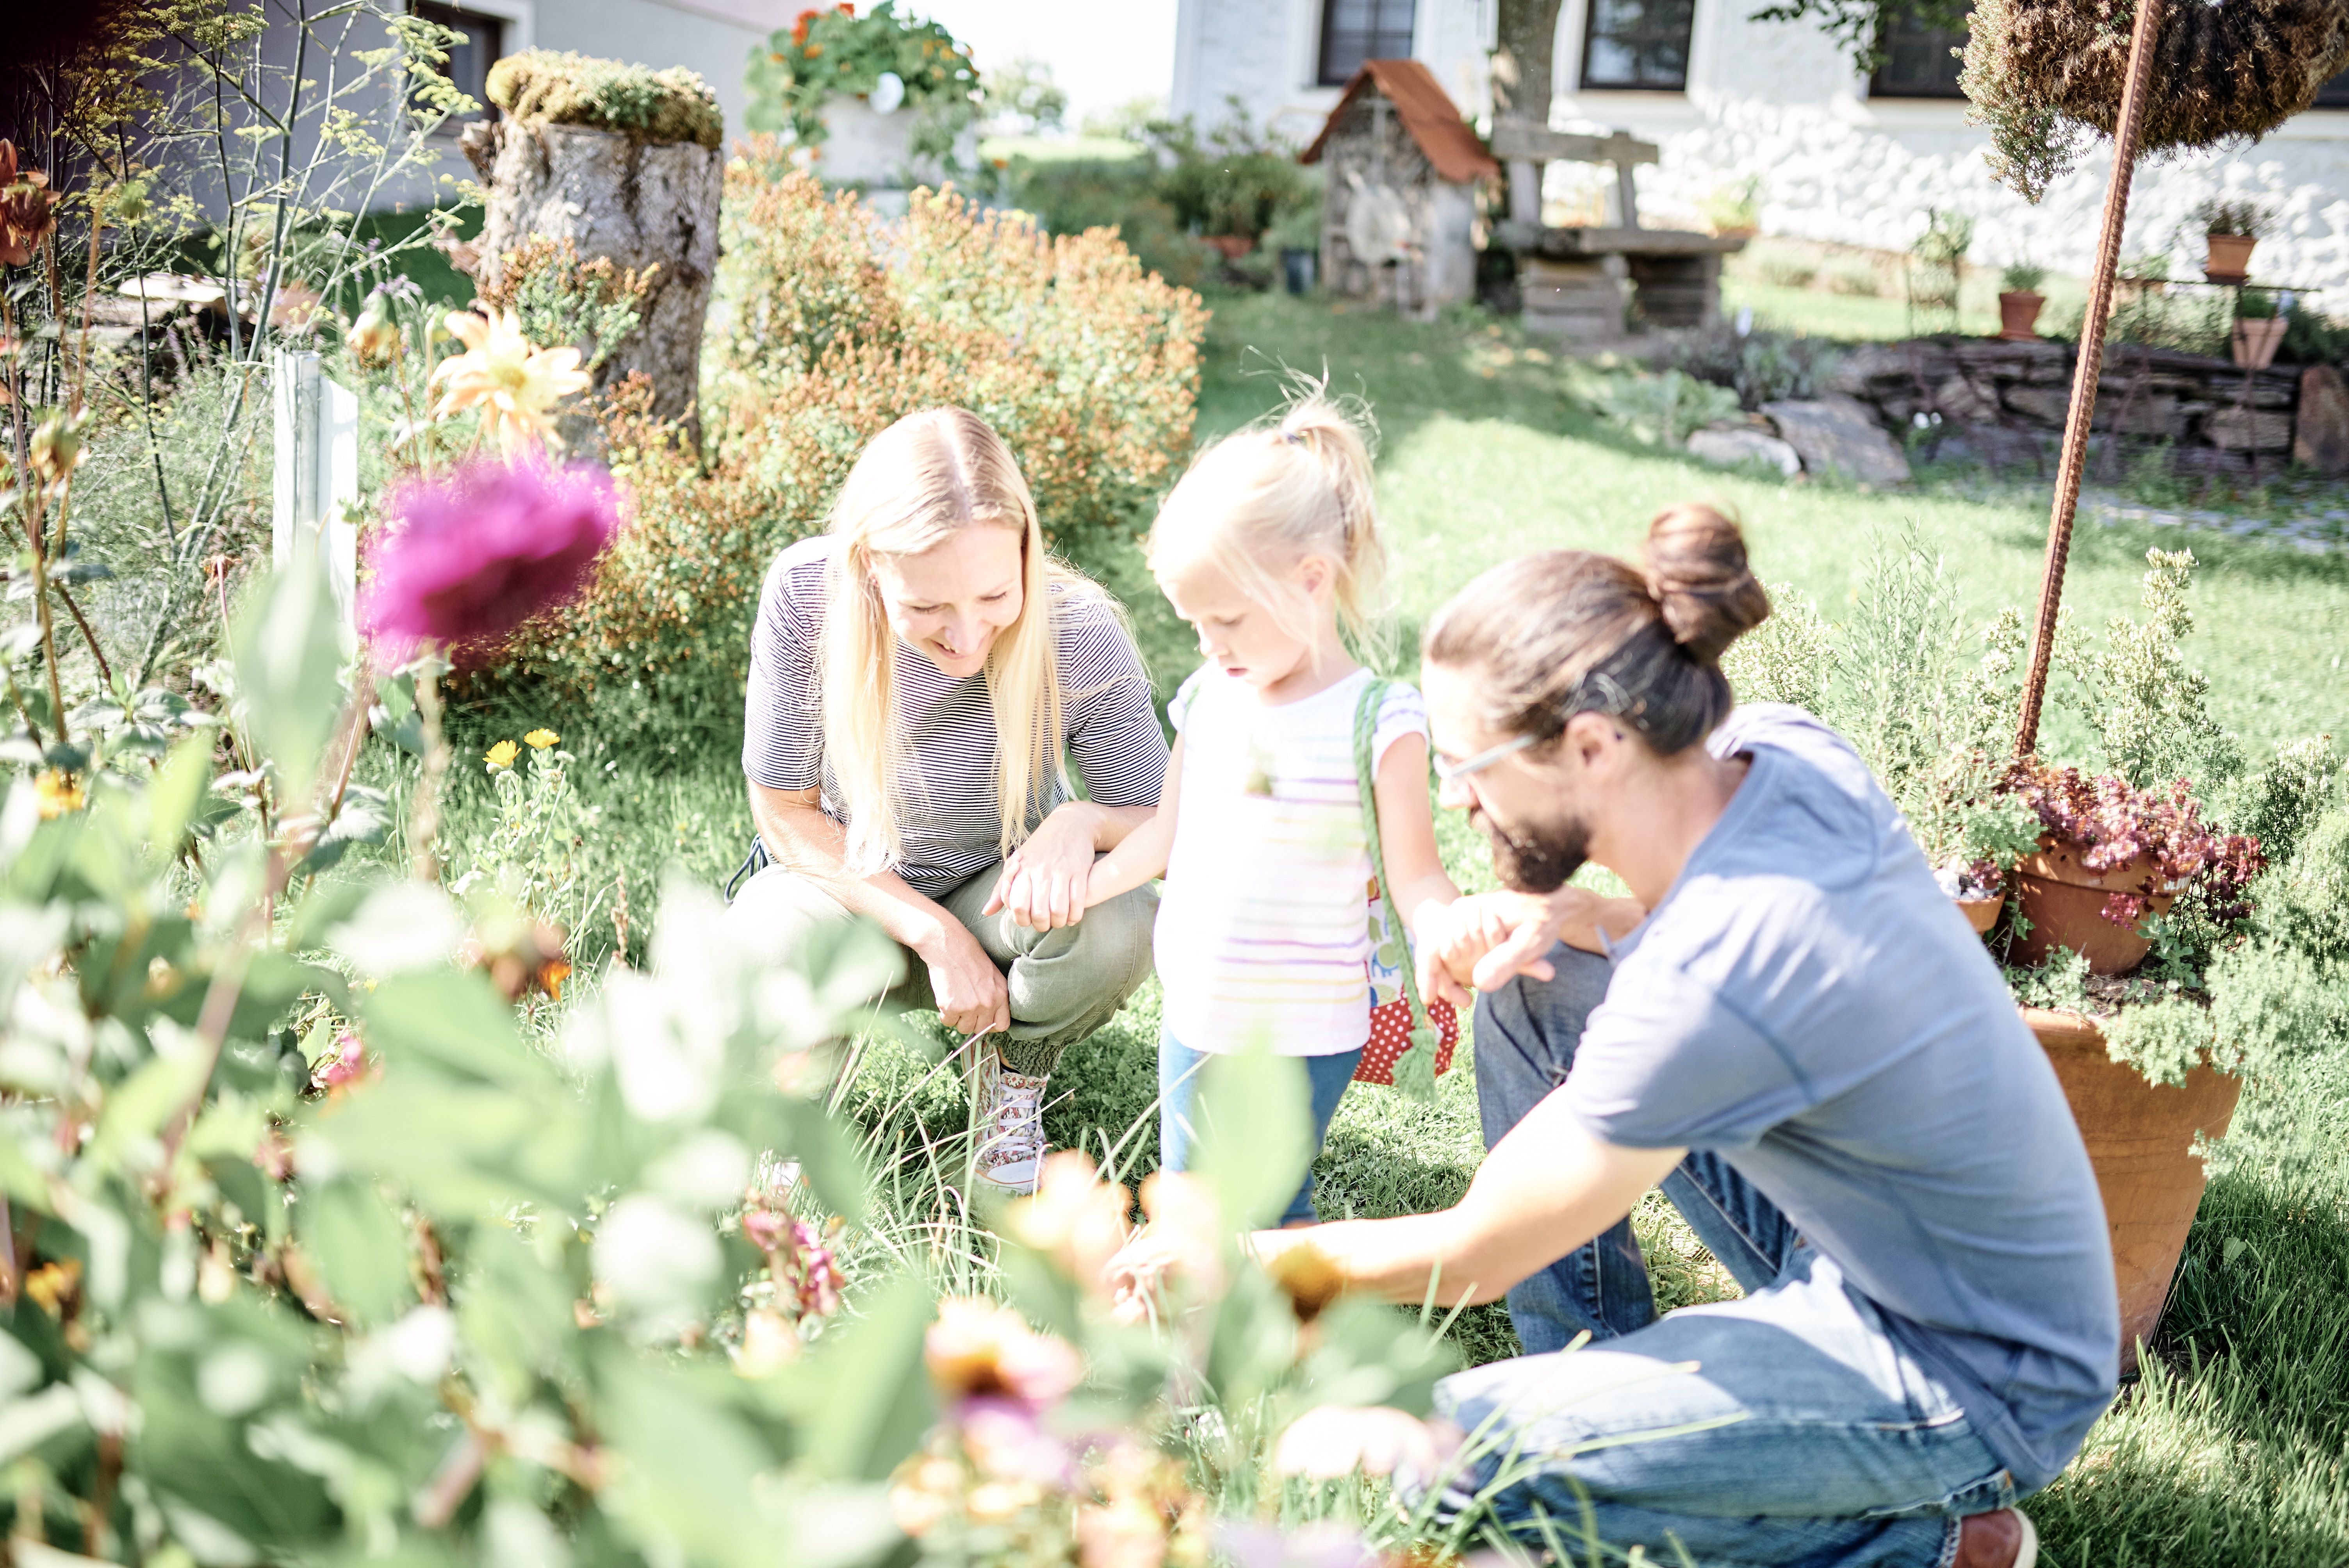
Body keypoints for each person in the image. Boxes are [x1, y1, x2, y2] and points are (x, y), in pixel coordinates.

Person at [1122, 504, 2118, 1568]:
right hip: (1898, 1248)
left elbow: (1481, 1250)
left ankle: (1915, 1543)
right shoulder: (1776, 752)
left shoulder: (1714, 977)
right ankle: (1612, 1384)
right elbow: (1752, 946)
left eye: (1471, 763)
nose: (1453, 798)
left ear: (1593, 746)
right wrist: (1588, 916)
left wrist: (1232, 1258)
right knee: (1538, 987)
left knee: (1417, 1469)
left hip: (1974, 1372)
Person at [729, 407, 1168, 1195]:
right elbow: (784, 813)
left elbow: (1163, 821)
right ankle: (798, 1093)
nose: (967, 636)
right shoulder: (806, 596)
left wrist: (1080, 820)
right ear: (870, 567)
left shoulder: (1079, 630)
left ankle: (1011, 1076)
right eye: (929, 606)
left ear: (1029, 555)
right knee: (760, 945)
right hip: (845, 891)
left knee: (1122, 922)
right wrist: (933, 936)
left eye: (995, 595)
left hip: (994, 895)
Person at [1080, 398, 1460, 1226]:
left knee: (1271, 1201)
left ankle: (1269, 1349)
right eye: (1194, 623)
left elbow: (1416, 874)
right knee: (1184, 1195)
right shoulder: (1207, 698)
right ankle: (1185, 1360)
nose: (1209, 644)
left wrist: (1449, 930)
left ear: (1311, 579)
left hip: (1305, 1026)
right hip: (1197, 1004)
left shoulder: (1378, 722)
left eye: (1226, 620)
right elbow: (1163, 837)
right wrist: (1087, 889)